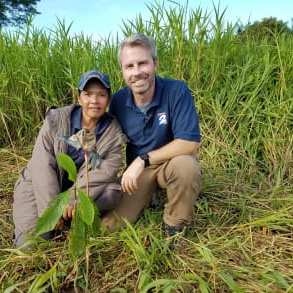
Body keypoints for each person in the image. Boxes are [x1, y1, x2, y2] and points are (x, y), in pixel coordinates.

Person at [101, 33, 202, 239]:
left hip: (169, 164)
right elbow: (106, 142)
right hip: (138, 175)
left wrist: (143, 160)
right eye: (129, 66)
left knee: (187, 166)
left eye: (142, 63)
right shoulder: (119, 101)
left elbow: (189, 143)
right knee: (106, 228)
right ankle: (150, 196)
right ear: (122, 71)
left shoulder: (176, 90)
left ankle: (175, 226)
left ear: (155, 63)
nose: (137, 72)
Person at [13, 70, 127, 248]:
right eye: (88, 94)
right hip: (40, 185)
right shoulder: (56, 120)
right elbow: (42, 166)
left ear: (108, 100)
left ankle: (71, 218)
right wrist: (52, 210)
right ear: (79, 98)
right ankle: (58, 218)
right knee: (31, 244)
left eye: (101, 95)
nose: (94, 101)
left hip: (79, 191)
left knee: (112, 192)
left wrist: (72, 200)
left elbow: (104, 172)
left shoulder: (112, 133)